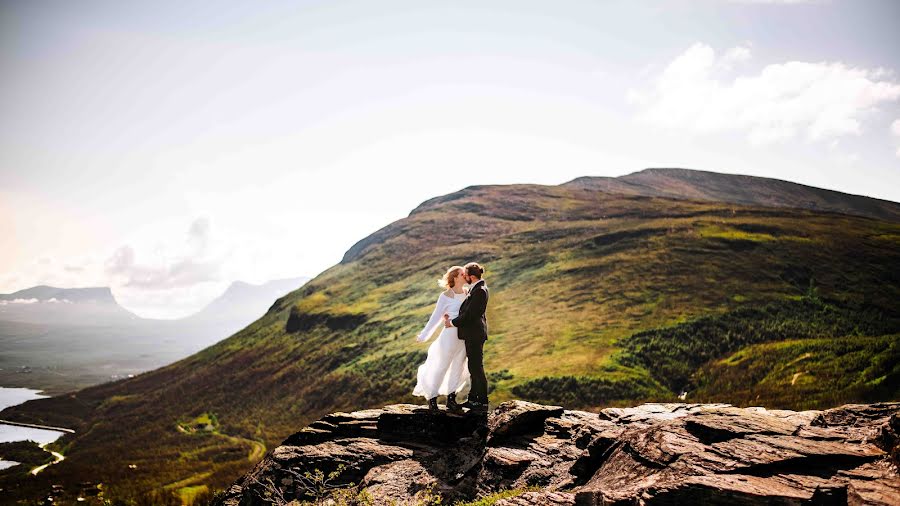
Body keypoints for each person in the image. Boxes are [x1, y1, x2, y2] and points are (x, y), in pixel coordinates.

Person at [412, 266, 471, 412]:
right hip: (449, 336)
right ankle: (432, 399)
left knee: (459, 366)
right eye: (462, 274)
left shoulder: (467, 293)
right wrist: (424, 335)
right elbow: (436, 317)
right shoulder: (445, 296)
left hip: (464, 336)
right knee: (441, 366)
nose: (466, 275)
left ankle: (451, 399)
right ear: (455, 277)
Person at [444, 262, 489, 412]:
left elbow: (470, 315)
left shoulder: (480, 291)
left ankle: (481, 401)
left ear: (471, 276)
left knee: (476, 368)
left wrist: (452, 323)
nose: (464, 278)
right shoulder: (476, 289)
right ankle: (473, 399)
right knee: (473, 367)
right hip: (473, 334)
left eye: (465, 275)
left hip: (475, 335)